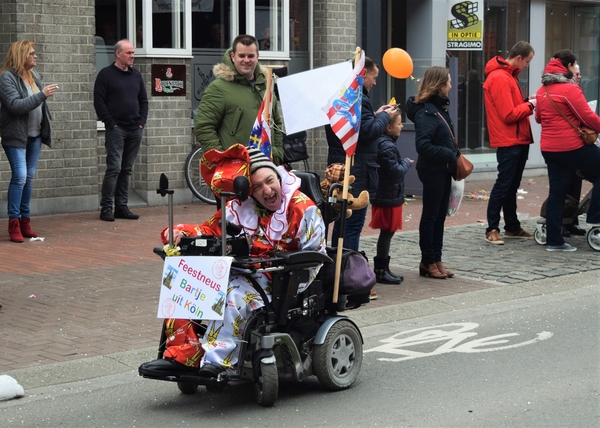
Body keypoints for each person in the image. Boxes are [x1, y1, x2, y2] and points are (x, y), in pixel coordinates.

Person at [158, 147, 326, 376]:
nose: (267, 190)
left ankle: (218, 362)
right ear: (250, 191)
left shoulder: (302, 209)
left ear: (278, 177)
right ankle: (183, 353)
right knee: (183, 280)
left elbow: (314, 254)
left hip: (282, 278)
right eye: (257, 186)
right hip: (242, 271)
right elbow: (210, 229)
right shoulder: (240, 207)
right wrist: (180, 233)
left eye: (269, 181)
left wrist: (277, 264)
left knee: (231, 294)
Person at [326, 56, 396, 253]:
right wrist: (385, 116)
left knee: (343, 222)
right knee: (351, 224)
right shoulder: (357, 98)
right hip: (356, 167)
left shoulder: (342, 97)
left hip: (347, 164)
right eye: (373, 77)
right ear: (362, 74)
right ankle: (349, 272)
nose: (374, 83)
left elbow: (357, 126)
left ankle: (342, 267)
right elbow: (367, 132)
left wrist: (375, 115)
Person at [534, 49, 600, 251]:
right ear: (569, 66)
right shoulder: (569, 89)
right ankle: (595, 219)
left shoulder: (541, 91)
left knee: (557, 193)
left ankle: (554, 240)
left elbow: (538, 118)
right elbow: (588, 117)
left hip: (550, 149)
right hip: (572, 147)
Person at [194, 34, 284, 167]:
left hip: (266, 167)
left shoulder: (266, 86)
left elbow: (276, 124)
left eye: (251, 56)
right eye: (242, 56)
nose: (246, 60)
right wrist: (223, 159)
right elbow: (203, 127)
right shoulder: (218, 88)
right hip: (235, 170)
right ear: (233, 56)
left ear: (257, 57)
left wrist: (277, 154)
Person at [0, 40, 57, 243]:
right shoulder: (7, 77)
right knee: (20, 177)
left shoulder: (34, 76)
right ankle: (13, 223)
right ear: (21, 55)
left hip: (35, 135)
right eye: (31, 53)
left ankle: (25, 222)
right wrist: (42, 95)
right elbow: (15, 105)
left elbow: (40, 106)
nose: (35, 56)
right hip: (15, 136)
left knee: (29, 178)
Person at [482, 41, 536, 245]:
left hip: (516, 138)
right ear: (519, 58)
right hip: (509, 139)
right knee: (504, 185)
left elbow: (511, 108)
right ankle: (492, 228)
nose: (527, 65)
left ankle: (512, 226)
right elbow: (508, 115)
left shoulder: (507, 76)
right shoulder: (501, 77)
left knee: (511, 185)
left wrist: (525, 102)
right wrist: (531, 105)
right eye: (528, 61)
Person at [406, 66, 456, 280]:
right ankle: (427, 260)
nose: (451, 85)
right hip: (433, 169)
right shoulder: (427, 111)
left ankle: (436, 258)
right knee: (431, 215)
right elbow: (423, 146)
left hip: (443, 169)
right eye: (448, 82)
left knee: (440, 217)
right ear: (440, 85)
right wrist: (448, 153)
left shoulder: (438, 108)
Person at [94, 39, 148, 222]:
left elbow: (143, 101)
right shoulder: (106, 75)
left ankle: (122, 207)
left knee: (126, 169)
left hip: (135, 129)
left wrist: (142, 122)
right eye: (129, 53)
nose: (132, 56)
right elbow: (99, 102)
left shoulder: (136, 75)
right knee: (114, 169)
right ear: (118, 54)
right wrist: (111, 123)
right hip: (116, 129)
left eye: (133, 53)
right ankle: (106, 208)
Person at [369, 108, 413, 284]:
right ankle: (380, 270)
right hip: (388, 194)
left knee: (388, 232)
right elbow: (395, 172)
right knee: (387, 232)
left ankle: (383, 268)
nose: (402, 127)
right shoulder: (386, 145)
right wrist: (406, 163)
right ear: (388, 127)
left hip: (388, 193)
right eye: (399, 123)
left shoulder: (386, 143)